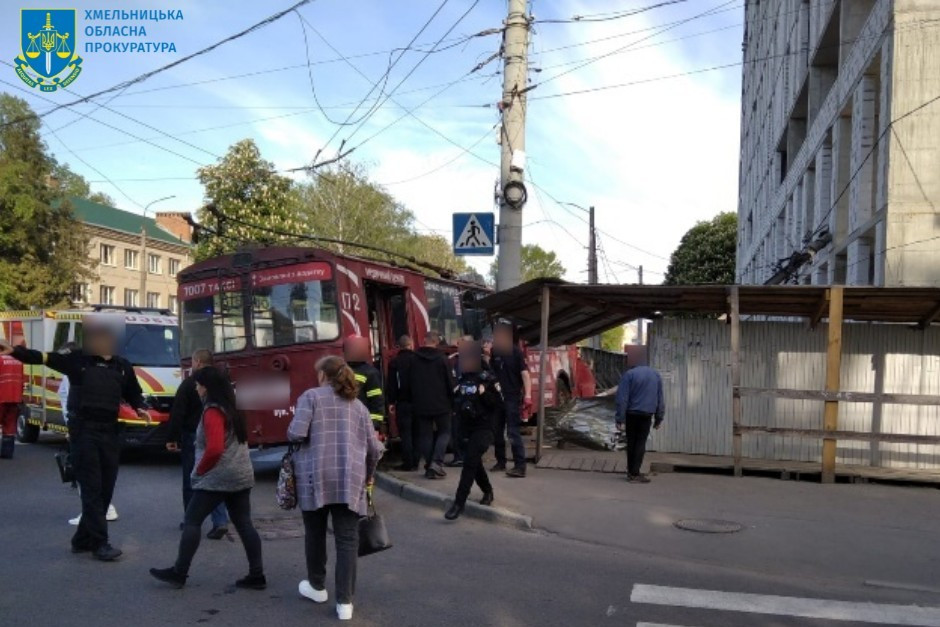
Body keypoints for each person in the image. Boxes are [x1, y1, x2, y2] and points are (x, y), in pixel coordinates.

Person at [0, 320, 151, 561]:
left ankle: (81, 540)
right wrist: (15, 351)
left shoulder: (122, 366)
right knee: (92, 488)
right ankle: (100, 544)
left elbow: (133, 392)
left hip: (110, 432)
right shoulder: (78, 360)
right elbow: (43, 357)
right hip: (84, 431)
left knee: (106, 489)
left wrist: (140, 407)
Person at [150, 366, 265, 589]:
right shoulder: (234, 407)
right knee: (244, 524)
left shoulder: (212, 411)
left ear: (207, 387)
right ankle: (257, 575)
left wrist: (200, 470)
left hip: (217, 477)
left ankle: (179, 572)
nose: (196, 388)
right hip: (241, 474)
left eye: (198, 384)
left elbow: (214, 449)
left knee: (192, 521)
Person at [288, 355, 383, 622]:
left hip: (314, 477)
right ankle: (345, 602)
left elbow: (296, 434)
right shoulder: (359, 407)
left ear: (323, 375)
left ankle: (317, 586)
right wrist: (369, 476)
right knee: (347, 540)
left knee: (315, 534)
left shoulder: (311, 397)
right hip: (349, 478)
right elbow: (374, 449)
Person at [166, 349, 230, 538]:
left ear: (198, 362)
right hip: (219, 433)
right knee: (215, 477)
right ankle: (220, 520)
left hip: (193, 435)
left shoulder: (190, 383)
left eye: (193, 361)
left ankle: (190, 519)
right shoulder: (223, 382)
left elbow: (178, 412)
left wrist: (171, 437)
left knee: (191, 478)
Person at [59, 348, 119, 524]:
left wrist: (70, 427)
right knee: (95, 474)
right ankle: (100, 512)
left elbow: (67, 399)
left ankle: (95, 513)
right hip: (90, 428)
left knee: (87, 475)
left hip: (82, 428)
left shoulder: (76, 372)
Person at [445, 341, 502, 521]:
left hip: (484, 427)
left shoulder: (488, 378)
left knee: (469, 461)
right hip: (465, 427)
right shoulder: (462, 378)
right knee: (473, 462)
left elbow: (497, 404)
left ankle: (458, 503)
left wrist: (484, 393)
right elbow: (456, 401)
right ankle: (488, 490)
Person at [410, 332, 455, 479]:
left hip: (421, 402)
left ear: (424, 340)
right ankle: (436, 462)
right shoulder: (442, 359)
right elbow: (449, 381)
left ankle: (430, 466)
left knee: (425, 435)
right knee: (445, 432)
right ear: (437, 342)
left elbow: (409, 382)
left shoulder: (414, 359)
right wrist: (453, 400)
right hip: (441, 402)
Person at [490, 323, 532, 478]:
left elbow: (525, 374)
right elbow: (492, 372)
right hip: (497, 398)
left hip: (512, 397)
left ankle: (520, 466)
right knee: (497, 431)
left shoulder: (516, 352)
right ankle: (500, 462)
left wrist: (527, 395)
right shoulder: (495, 352)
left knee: (513, 432)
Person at [614, 364, 665, 483]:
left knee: (631, 442)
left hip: (631, 414)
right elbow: (660, 398)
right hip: (647, 415)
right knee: (640, 443)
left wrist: (620, 419)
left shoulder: (629, 375)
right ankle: (635, 473)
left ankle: (631, 472)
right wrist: (659, 418)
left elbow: (622, 398)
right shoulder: (655, 375)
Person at [386, 335, 419, 471]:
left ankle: (408, 463)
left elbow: (392, 384)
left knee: (405, 434)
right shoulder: (418, 360)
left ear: (399, 347)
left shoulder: (394, 362)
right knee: (417, 433)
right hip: (418, 402)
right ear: (411, 345)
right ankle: (416, 461)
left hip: (402, 402)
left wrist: (391, 402)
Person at [344, 336, 385, 432]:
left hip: (360, 423)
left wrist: (374, 426)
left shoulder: (370, 373)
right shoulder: (370, 372)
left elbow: (376, 400)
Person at [0, 350, 23, 459]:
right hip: (15, 397)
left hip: (2, 396)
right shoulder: (18, 360)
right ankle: (7, 452)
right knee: (10, 425)